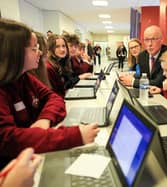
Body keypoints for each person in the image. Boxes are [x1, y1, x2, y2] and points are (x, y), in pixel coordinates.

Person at [0, 18, 99, 168]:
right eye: (34, 49)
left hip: (30, 157)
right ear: (15, 53)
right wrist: (75, 136)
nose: (40, 52)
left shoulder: (23, 78)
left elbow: (54, 97)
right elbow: (9, 139)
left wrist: (45, 119)